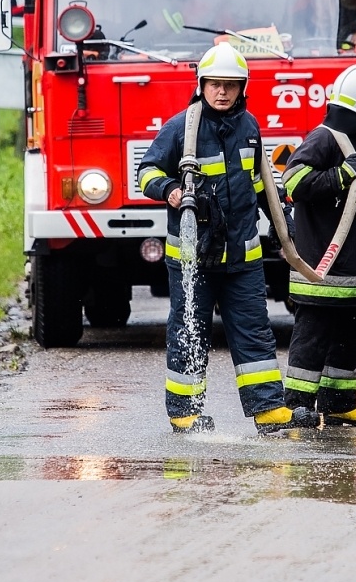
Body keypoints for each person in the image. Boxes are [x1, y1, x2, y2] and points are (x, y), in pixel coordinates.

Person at [137, 43, 321, 434]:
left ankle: (269, 410)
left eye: (231, 85)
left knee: (254, 330)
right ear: (201, 85)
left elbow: (260, 184)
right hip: (192, 259)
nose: (222, 92)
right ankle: (185, 413)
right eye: (215, 84)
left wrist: (283, 224)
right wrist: (170, 189)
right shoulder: (180, 127)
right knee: (189, 331)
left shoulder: (249, 127)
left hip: (242, 257)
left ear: (243, 88)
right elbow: (146, 171)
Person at [280, 63, 356, 426]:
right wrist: (341, 175)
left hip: (355, 273)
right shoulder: (324, 139)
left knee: (347, 340)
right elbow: (293, 181)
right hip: (323, 274)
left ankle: (338, 403)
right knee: (312, 340)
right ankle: (296, 406)